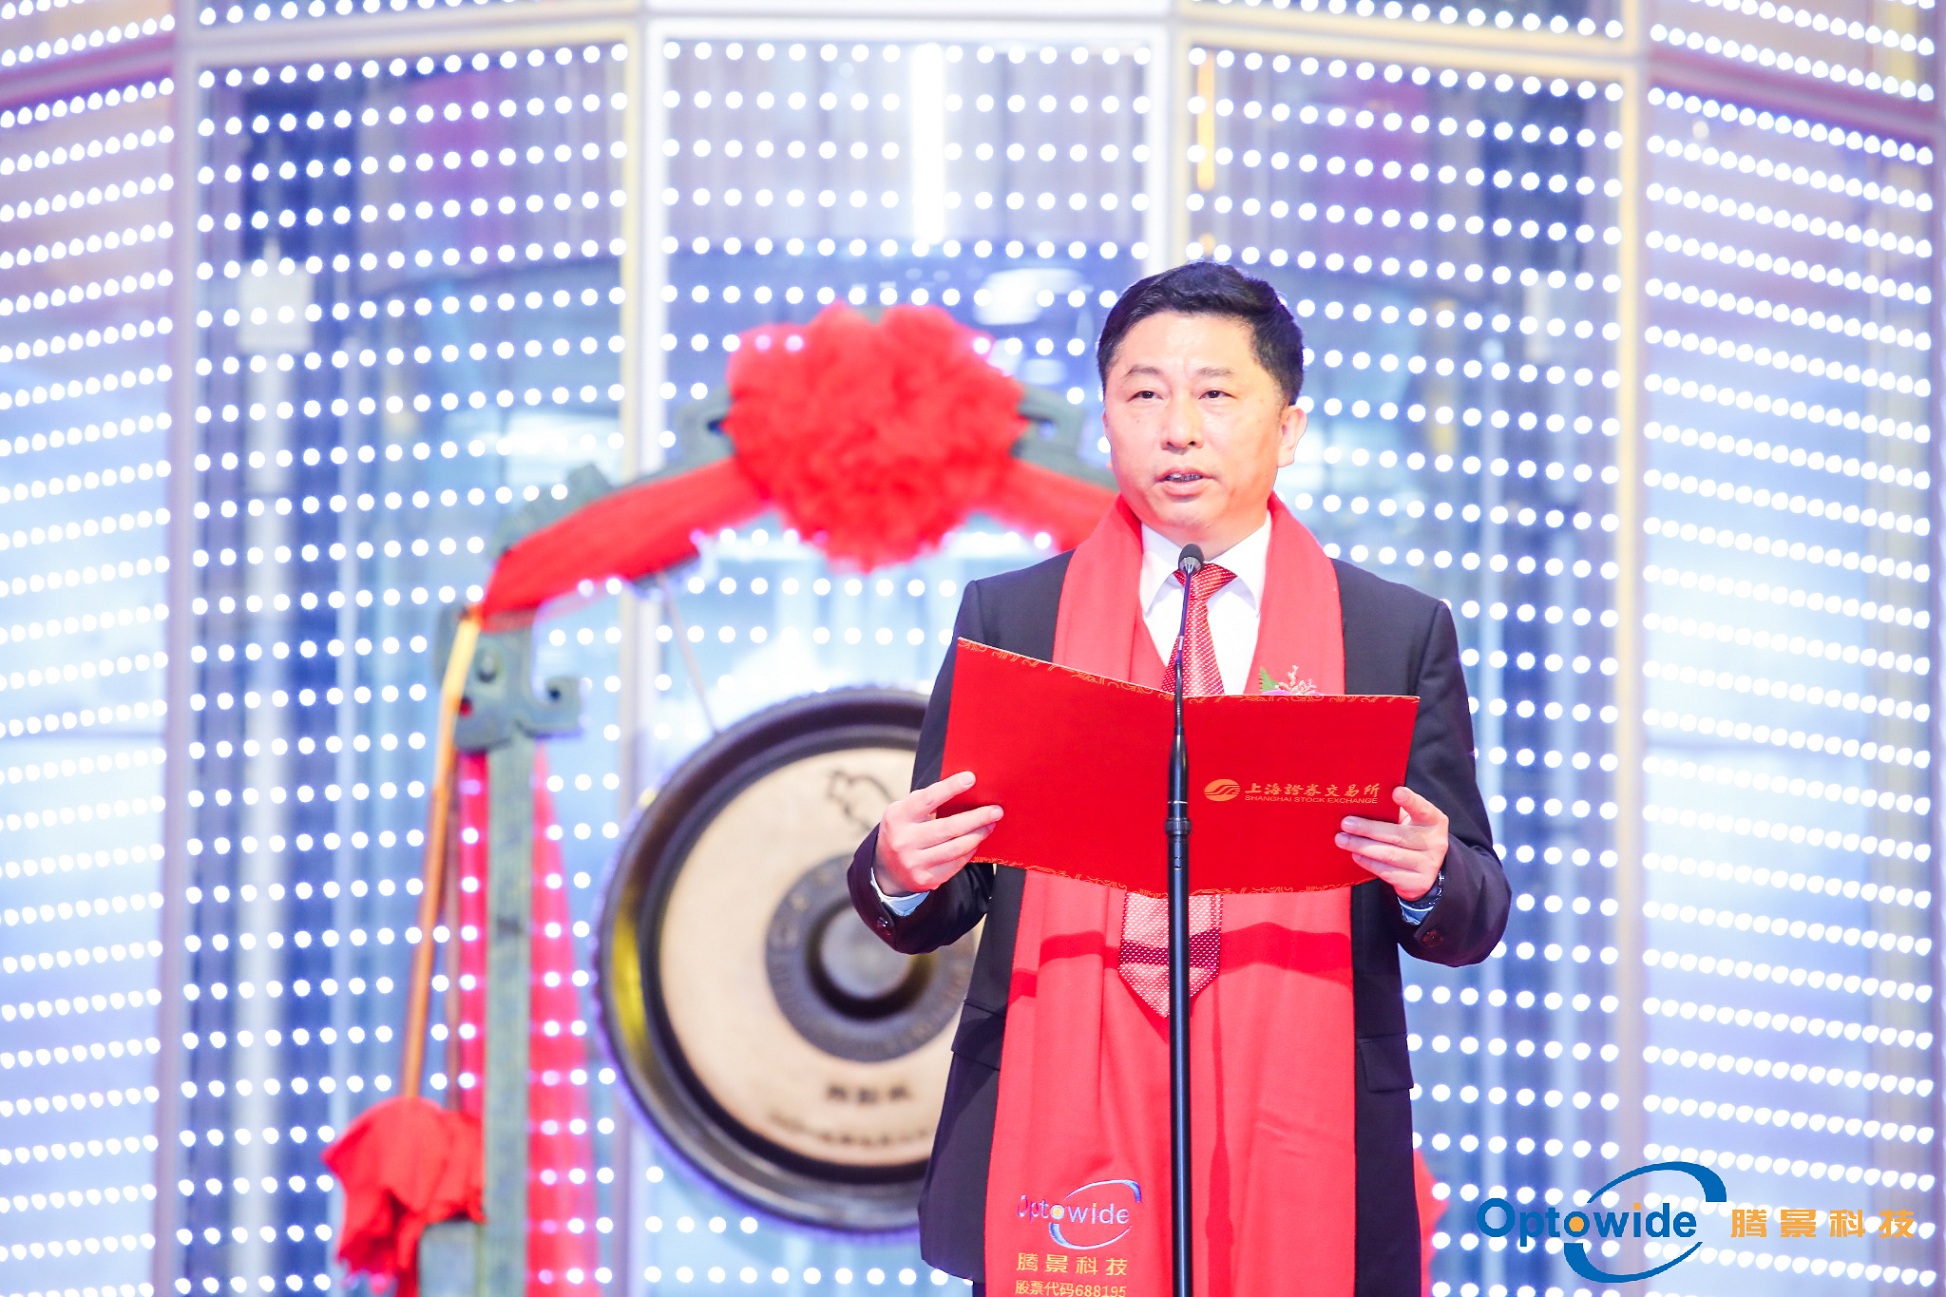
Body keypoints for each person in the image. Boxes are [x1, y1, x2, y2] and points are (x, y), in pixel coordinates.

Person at [846, 261, 1510, 1297]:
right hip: (1056, 1098)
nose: (1178, 430)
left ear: (1287, 427)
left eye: (1215, 394)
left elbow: (1471, 913)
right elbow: (951, 886)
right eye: (1144, 394)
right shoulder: (1014, 620)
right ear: (1107, 419)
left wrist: (1431, 876)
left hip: (1304, 1108)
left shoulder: (1388, 633)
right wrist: (897, 870)